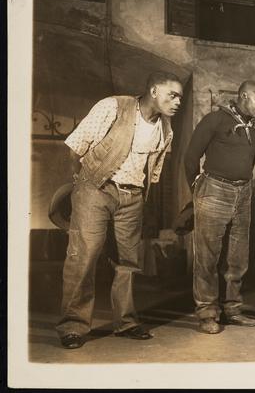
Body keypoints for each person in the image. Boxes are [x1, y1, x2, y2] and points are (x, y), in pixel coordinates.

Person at [56, 71, 183, 349]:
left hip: (133, 197)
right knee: (84, 256)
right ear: (153, 91)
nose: (177, 102)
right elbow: (75, 147)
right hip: (96, 190)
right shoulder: (113, 106)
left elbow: (153, 174)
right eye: (172, 95)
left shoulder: (166, 129)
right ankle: (73, 326)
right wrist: (81, 185)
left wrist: (140, 200)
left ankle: (125, 322)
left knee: (128, 262)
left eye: (180, 98)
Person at [183, 80, 255, 334]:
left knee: (237, 258)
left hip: (243, 193)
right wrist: (198, 187)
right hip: (214, 190)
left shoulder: (254, 128)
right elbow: (190, 157)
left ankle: (233, 310)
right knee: (207, 257)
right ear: (243, 96)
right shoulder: (215, 119)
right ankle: (207, 314)